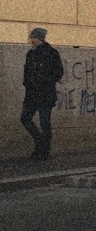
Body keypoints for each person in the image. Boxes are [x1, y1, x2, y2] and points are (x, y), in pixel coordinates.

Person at [21, 27, 64, 162]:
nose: (31, 40)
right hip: (32, 93)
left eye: (32, 38)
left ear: (39, 38)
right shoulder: (31, 54)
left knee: (44, 122)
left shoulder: (51, 53)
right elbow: (27, 72)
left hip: (45, 93)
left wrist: (44, 81)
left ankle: (44, 149)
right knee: (25, 118)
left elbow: (58, 72)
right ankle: (41, 142)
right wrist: (27, 83)